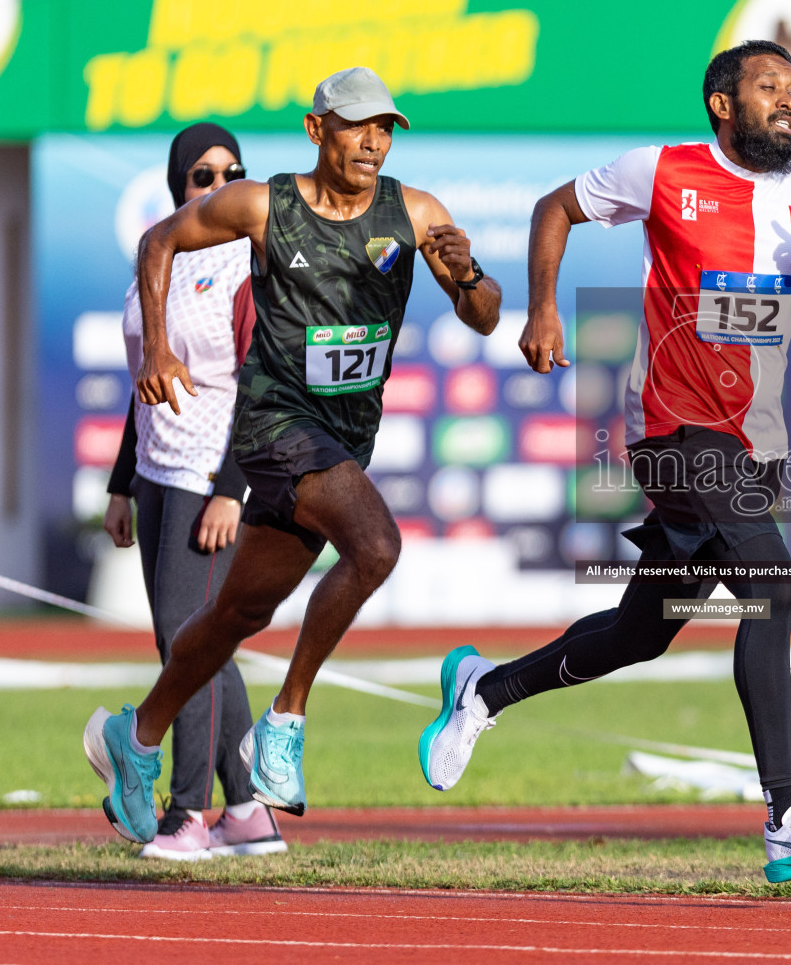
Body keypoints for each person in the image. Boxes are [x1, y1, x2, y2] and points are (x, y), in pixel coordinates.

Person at [415, 40, 791, 883]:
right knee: (772, 588)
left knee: (641, 634)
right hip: (672, 430)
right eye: (769, 87)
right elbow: (553, 208)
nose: (789, 101)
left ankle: (483, 692)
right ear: (722, 102)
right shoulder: (661, 171)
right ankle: (787, 815)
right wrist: (544, 311)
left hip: (756, 448)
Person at [83, 67, 501, 845]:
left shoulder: (414, 213)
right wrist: (158, 348)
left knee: (237, 612)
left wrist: (469, 272)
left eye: (384, 128)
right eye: (355, 126)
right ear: (317, 130)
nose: (372, 141)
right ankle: (285, 721)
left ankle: (134, 737)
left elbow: (482, 318)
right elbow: (158, 240)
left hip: (343, 440)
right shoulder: (262, 206)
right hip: (274, 425)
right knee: (376, 546)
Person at [101, 123, 286, 860]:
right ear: (179, 184)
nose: (220, 186)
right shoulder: (156, 261)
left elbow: (265, 383)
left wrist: (231, 492)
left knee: (190, 643)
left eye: (233, 172)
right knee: (186, 644)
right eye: (203, 176)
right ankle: (248, 813)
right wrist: (121, 484)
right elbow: (146, 381)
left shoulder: (251, 265)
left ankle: (189, 817)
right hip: (155, 472)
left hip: (211, 471)